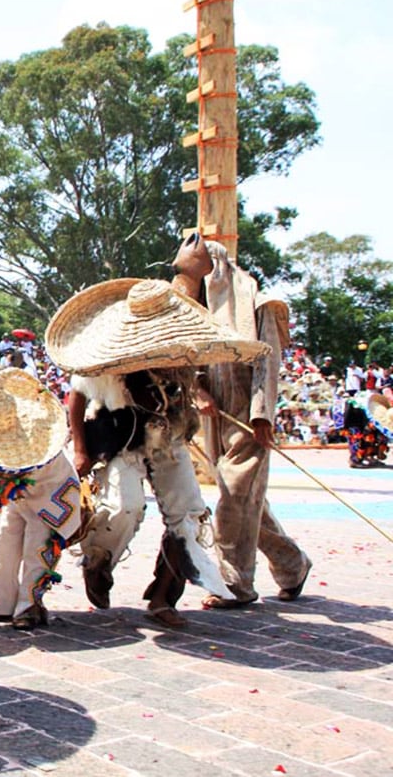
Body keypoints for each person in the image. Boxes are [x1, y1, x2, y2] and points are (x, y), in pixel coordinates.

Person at [48, 278, 261, 628]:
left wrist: (202, 394)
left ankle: (164, 597)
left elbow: (195, 377)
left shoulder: (180, 349)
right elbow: (77, 398)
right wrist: (82, 449)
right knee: (123, 507)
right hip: (120, 438)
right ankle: (98, 563)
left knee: (188, 516)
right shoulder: (106, 352)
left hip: (170, 437)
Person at [172, 233, 314, 607]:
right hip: (217, 420)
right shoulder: (201, 312)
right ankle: (293, 566)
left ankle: (236, 584)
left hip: (249, 419)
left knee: (235, 496)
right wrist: (199, 393)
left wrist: (262, 414)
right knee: (246, 500)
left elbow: (267, 362)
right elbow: (193, 365)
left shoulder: (260, 304)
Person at [0, 370, 82, 630]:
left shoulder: (37, 438)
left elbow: (12, 476)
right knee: (5, 542)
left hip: (50, 491)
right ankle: (0, 603)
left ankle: (29, 606)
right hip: (17, 494)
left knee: (37, 545)